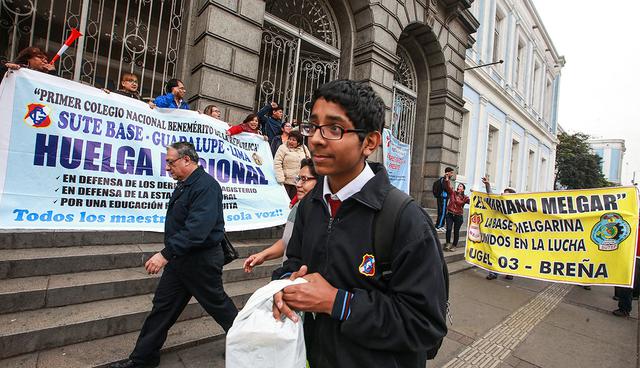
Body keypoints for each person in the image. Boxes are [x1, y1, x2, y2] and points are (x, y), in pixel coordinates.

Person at [271, 80, 447, 368]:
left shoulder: (405, 219)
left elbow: (425, 324)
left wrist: (337, 302)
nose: (315, 139)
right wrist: (283, 287)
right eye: (313, 126)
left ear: (370, 142)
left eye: (334, 129)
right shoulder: (310, 205)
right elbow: (294, 263)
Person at [109, 142, 238, 368]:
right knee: (162, 308)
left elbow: (197, 229)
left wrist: (165, 254)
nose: (167, 167)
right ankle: (143, 359)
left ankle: (246, 343)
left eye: (171, 162)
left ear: (187, 160)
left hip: (200, 262)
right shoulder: (185, 184)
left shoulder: (206, 186)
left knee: (219, 306)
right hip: (181, 260)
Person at [243, 158, 318, 273]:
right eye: (298, 179)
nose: (298, 184)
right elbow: (286, 241)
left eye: (304, 179)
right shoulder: (297, 207)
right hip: (288, 275)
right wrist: (262, 255)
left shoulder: (326, 215)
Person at [483, 177, 515, 280]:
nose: (503, 194)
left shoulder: (516, 206)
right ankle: (493, 273)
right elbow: (491, 195)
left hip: (509, 235)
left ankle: (509, 272)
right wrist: (487, 185)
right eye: (503, 193)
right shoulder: (498, 203)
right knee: (494, 252)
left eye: (506, 193)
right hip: (497, 234)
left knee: (509, 254)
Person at [612, 219, 640, 317]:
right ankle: (630, 298)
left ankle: (624, 308)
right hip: (633, 253)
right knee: (631, 281)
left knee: (626, 282)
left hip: (633, 254)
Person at [273, 131, 310, 200]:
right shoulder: (283, 148)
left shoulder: (304, 148)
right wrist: (280, 178)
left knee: (295, 203)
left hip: (299, 182)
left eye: (294, 140)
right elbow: (277, 163)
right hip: (286, 182)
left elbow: (309, 162)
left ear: (298, 142)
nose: (290, 141)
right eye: (290, 139)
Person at [442, 174, 470, 252]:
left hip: (458, 216)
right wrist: (447, 179)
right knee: (449, 229)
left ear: (463, 189)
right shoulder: (453, 193)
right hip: (450, 214)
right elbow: (448, 187)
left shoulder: (465, 198)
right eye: (458, 186)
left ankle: (454, 245)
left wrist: (474, 194)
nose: (458, 187)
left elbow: (472, 202)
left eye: (461, 186)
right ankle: (448, 243)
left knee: (456, 231)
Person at [433, 167, 454, 232]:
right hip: (443, 198)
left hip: (443, 198)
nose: (452, 174)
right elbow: (447, 189)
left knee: (443, 212)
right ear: (447, 172)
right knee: (442, 212)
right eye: (451, 173)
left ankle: (441, 225)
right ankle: (438, 226)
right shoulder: (444, 179)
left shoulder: (444, 179)